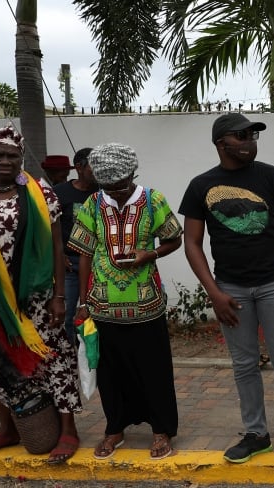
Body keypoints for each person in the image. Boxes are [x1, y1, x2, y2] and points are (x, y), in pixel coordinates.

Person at [179, 113, 274, 466]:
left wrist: (265, 244)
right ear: (221, 143)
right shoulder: (200, 185)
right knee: (244, 365)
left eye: (253, 135)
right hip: (230, 289)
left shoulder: (271, 176)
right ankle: (256, 434)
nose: (249, 141)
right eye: (241, 136)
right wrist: (214, 293)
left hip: (272, 284)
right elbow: (192, 243)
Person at [69, 143, 182, 460]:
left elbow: (175, 237)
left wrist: (151, 253)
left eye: (123, 186)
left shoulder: (153, 200)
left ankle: (161, 430)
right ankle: (114, 428)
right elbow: (84, 254)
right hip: (103, 304)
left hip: (146, 303)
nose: (117, 193)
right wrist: (83, 300)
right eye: (110, 188)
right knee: (110, 371)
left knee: (154, 369)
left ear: (133, 175)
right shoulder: (92, 204)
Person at [0, 126, 82, 464]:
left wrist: (59, 296)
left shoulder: (41, 192)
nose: (5, 161)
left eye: (12, 155)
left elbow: (57, 245)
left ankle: (68, 429)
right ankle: (7, 428)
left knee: (54, 358)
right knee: (0, 361)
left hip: (38, 297)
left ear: (21, 158)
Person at [53, 147, 98, 345]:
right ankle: (72, 357)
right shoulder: (59, 192)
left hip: (98, 264)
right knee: (69, 312)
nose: (97, 172)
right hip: (70, 264)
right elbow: (48, 227)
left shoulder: (103, 192)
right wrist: (59, 255)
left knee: (95, 312)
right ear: (79, 168)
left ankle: (92, 356)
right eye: (92, 167)